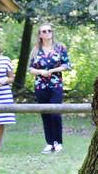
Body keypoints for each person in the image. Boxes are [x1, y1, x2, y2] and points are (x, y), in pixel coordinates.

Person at [28, 22, 72, 154]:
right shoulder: (36, 50)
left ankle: (58, 142)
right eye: (44, 31)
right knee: (45, 113)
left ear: (52, 33)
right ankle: (49, 143)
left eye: (49, 31)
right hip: (40, 86)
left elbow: (67, 65)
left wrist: (52, 70)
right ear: (40, 35)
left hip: (55, 84)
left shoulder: (60, 48)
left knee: (55, 113)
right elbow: (30, 69)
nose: (47, 33)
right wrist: (41, 72)